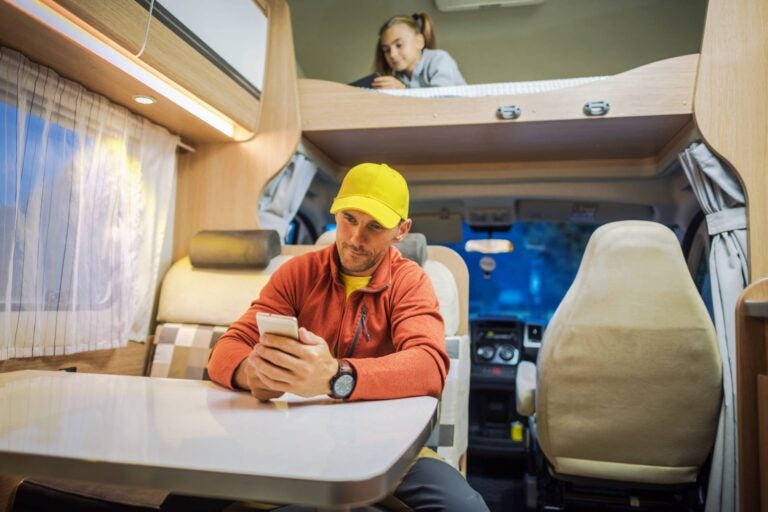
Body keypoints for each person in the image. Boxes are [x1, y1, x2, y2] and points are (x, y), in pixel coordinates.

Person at [205, 162, 489, 512]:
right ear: (335, 212)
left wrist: (336, 377)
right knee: (188, 497)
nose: (356, 238)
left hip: (388, 444)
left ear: (402, 230)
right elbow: (226, 349)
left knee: (466, 508)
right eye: (349, 219)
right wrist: (254, 373)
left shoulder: (410, 282)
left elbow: (429, 365)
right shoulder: (297, 274)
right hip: (294, 440)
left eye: (374, 226)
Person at [372, 13, 467, 89]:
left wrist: (404, 91)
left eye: (399, 45)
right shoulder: (397, 78)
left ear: (419, 42)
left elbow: (441, 101)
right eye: (386, 50)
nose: (392, 54)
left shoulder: (439, 59)